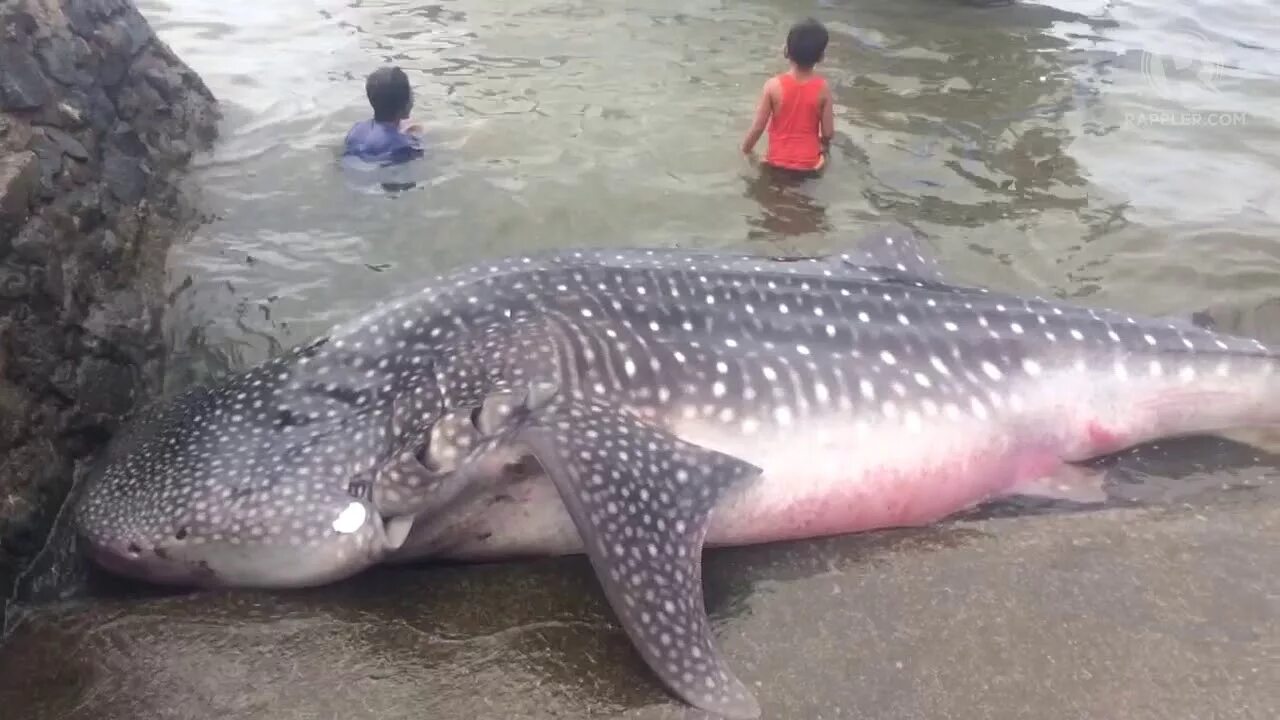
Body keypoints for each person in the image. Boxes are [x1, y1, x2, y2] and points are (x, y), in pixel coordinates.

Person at [740, 18, 834, 174]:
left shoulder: (772, 85)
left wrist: (744, 151)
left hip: (775, 162)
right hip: (809, 165)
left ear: (786, 51)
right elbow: (828, 133)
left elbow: (758, 128)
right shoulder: (823, 88)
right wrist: (824, 149)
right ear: (821, 57)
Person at [343, 66, 425, 166]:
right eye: (411, 93)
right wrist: (417, 136)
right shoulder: (402, 144)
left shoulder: (356, 130)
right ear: (405, 104)